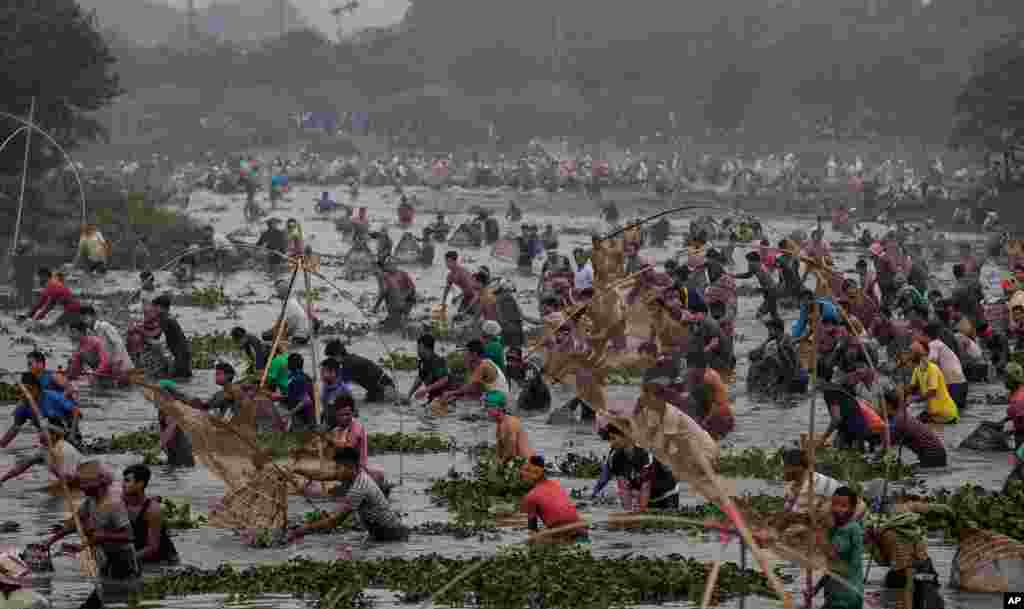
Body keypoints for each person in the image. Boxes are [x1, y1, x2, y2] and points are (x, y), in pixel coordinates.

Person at [44, 462, 139, 609]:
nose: (81, 487)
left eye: (84, 484)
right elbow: (75, 523)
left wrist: (91, 541)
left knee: (110, 600)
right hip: (105, 560)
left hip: (122, 562)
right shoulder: (90, 501)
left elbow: (129, 535)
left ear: (98, 485)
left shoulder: (114, 505)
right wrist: (50, 541)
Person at [289, 447, 408, 542]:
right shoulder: (353, 474)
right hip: (381, 531)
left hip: (391, 535)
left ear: (350, 467)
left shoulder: (359, 487)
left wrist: (302, 530)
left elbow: (334, 522)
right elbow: (322, 475)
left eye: (337, 467)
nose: (335, 471)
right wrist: (296, 470)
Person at [861, 490, 946, 609]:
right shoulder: (905, 511)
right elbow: (939, 509)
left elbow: (882, 561)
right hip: (921, 566)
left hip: (903, 571)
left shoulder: (875, 528)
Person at [592, 422, 678, 510]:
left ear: (627, 436)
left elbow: (646, 487)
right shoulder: (615, 457)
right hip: (647, 496)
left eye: (614, 438)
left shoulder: (645, 453)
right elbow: (623, 488)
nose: (611, 444)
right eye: (609, 439)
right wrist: (628, 513)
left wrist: (640, 511)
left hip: (667, 494)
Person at [806, 487, 865, 609]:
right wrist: (815, 590)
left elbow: (852, 567)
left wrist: (823, 543)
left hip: (848, 597)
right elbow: (831, 570)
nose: (836, 509)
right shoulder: (832, 531)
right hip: (832, 597)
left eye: (843, 505)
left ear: (852, 509)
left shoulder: (854, 530)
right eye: (834, 504)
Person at [0, 373, 79, 449]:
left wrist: (72, 434)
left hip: (66, 429)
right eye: (22, 391)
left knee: (45, 435)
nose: (25, 394)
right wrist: (2, 444)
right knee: (43, 437)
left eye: (29, 389)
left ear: (37, 388)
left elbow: (76, 411)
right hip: (48, 435)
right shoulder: (24, 406)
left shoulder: (52, 396)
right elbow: (15, 428)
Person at [519, 455, 587, 543]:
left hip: (564, 535)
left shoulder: (531, 496)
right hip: (582, 530)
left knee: (534, 540)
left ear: (533, 473)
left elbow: (532, 531)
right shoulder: (557, 484)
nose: (523, 474)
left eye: (526, 471)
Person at [122, 464, 179, 565]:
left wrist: (127, 560)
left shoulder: (153, 510)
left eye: (127, 481)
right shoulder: (121, 503)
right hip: (139, 554)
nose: (123, 484)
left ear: (140, 484)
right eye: (123, 480)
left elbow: (152, 547)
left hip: (163, 560)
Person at [781, 449, 867, 516]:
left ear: (798, 468)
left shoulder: (815, 484)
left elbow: (800, 516)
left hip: (851, 514)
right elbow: (788, 510)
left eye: (786, 467)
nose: (783, 471)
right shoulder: (792, 485)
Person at [885, 389, 948, 468]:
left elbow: (887, 444)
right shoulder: (902, 415)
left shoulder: (898, 420)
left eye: (881, 405)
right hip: (937, 454)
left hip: (932, 456)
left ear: (888, 406)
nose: (879, 407)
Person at [906, 341, 959, 425]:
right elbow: (911, 388)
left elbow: (932, 392)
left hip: (946, 415)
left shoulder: (932, 369)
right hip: (933, 414)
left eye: (911, 352)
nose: (908, 355)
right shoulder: (917, 369)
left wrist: (913, 399)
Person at [441, 339, 508, 405]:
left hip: (498, 396)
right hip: (494, 395)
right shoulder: (482, 363)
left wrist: (452, 393)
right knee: (467, 399)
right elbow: (471, 386)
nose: (464, 355)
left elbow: (472, 387)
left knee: (469, 403)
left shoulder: (483, 366)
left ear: (474, 354)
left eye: (466, 352)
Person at [327, 341, 398, 403]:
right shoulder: (349, 359)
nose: (331, 360)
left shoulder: (348, 364)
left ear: (337, 355)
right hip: (382, 388)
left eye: (331, 358)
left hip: (385, 389)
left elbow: (341, 385)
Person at [923, 323, 968, 413]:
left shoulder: (933, 344)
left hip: (955, 387)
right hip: (962, 385)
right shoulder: (941, 345)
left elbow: (932, 362)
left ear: (925, 335)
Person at [154, 380, 197, 467]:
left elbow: (169, 432)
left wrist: (156, 449)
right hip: (173, 453)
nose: (155, 397)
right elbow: (163, 433)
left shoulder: (173, 409)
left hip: (182, 455)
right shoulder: (162, 409)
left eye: (157, 394)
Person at [152, 295, 192, 379]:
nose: (154, 309)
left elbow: (156, 335)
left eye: (155, 307)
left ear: (161, 307)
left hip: (180, 353)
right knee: (184, 377)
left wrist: (139, 330)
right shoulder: (169, 317)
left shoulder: (165, 318)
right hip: (183, 351)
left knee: (179, 378)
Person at [734, 251, 780, 321]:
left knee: (766, 311)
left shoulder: (753, 264)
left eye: (748, 261)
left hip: (769, 288)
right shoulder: (760, 264)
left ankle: (759, 322)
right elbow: (763, 277)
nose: (748, 263)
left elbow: (748, 275)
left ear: (751, 260)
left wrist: (734, 276)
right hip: (772, 287)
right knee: (772, 310)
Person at [488, 391, 533, 463]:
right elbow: (499, 448)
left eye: (490, 406)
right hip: (515, 461)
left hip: (527, 463)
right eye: (487, 406)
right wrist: (495, 460)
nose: (487, 410)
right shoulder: (499, 424)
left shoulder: (510, 423)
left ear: (500, 408)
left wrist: (501, 462)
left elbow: (512, 451)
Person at [408, 335, 450, 404]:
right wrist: (409, 395)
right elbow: (419, 379)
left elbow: (444, 380)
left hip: (445, 397)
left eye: (419, 348)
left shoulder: (438, 361)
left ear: (426, 348)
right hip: (432, 398)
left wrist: (425, 390)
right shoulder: (423, 362)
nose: (417, 350)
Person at [373, 262, 416, 330]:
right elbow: (412, 288)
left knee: (388, 328)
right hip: (406, 303)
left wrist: (375, 307)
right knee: (398, 322)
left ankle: (398, 321)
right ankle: (403, 318)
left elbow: (383, 292)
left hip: (396, 305)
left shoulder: (382, 277)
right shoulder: (401, 273)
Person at [278, 353, 315, 431]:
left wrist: (289, 413)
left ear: (290, 365)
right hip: (301, 418)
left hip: (303, 420)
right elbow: (296, 395)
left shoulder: (298, 379)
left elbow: (306, 401)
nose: (286, 366)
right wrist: (280, 398)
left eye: (287, 363)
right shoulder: (302, 376)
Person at [441, 251, 481, 316]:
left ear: (455, 261)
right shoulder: (450, 275)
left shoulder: (462, 273)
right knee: (458, 316)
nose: (447, 264)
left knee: (467, 315)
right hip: (466, 296)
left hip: (475, 297)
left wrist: (458, 297)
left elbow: (472, 289)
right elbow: (447, 289)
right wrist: (443, 303)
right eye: (446, 261)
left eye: (449, 261)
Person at [320, 358, 353, 429]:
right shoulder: (325, 388)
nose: (322, 375)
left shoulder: (343, 390)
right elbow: (325, 410)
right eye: (321, 372)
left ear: (334, 372)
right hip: (329, 427)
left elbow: (353, 414)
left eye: (324, 372)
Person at [1003, 362, 1024, 450]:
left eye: (1006, 378)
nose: (1004, 380)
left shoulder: (1018, 399)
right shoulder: (1018, 392)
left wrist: (1008, 431)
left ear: (1012, 379)